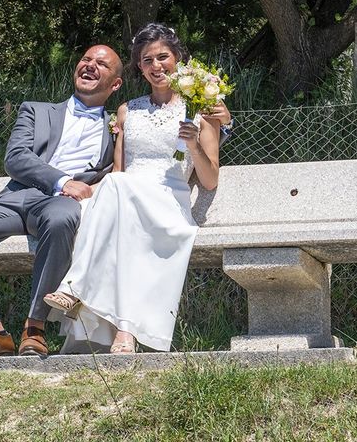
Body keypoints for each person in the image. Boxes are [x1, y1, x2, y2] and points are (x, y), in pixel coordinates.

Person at [0, 45, 123, 357]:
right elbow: (15, 158)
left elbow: (163, 144)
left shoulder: (117, 127)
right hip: (18, 197)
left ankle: (35, 327)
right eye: (85, 59)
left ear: (115, 84)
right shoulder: (36, 110)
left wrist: (222, 125)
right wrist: (62, 181)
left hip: (59, 207)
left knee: (61, 220)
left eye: (102, 64)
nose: (90, 66)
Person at [44, 23, 231, 354]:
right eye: (147, 60)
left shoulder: (201, 110)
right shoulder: (127, 109)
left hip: (167, 200)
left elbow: (210, 179)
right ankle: (125, 333)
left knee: (117, 194)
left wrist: (193, 146)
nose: (156, 66)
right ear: (139, 68)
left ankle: (76, 288)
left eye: (163, 57)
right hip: (127, 194)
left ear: (178, 60)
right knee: (113, 197)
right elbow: (119, 170)